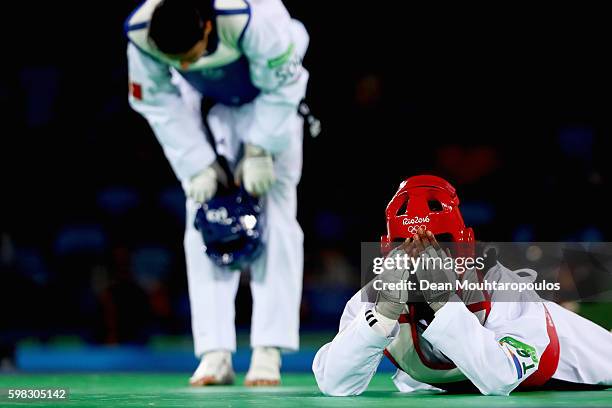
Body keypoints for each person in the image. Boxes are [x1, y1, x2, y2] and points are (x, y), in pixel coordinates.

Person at [125, 0, 309, 386]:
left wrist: (260, 148)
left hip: (270, 104)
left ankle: (268, 352)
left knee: (277, 219)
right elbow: (153, 98)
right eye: (177, 60)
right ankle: (214, 352)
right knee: (204, 221)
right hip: (205, 109)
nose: (186, 66)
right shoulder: (141, 34)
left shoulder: (256, 19)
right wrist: (197, 163)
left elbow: (286, 82)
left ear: (208, 28)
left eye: (188, 56)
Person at [312, 175, 612, 396]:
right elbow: (335, 383)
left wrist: (444, 301)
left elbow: (501, 379)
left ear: (467, 244)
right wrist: (382, 318)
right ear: (387, 250)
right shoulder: (375, 298)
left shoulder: (501, 288)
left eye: (440, 242)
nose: (423, 254)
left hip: (577, 359)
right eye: (406, 244)